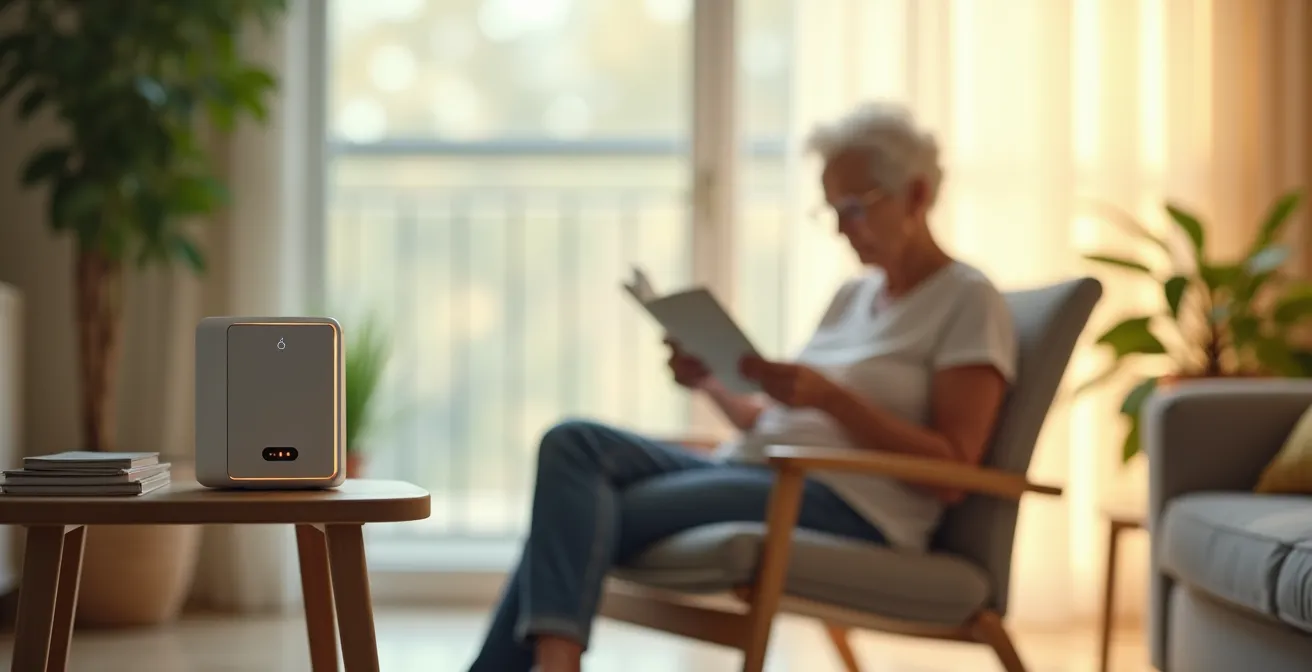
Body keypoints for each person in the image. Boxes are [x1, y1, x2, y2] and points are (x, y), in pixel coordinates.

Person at [466, 102, 1018, 672]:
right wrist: (712, 385)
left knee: (579, 516)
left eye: (854, 209)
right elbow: (772, 422)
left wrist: (830, 397)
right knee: (573, 442)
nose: (840, 228)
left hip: (844, 503)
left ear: (918, 195)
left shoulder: (967, 300)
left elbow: (957, 468)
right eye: (830, 210)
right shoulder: (853, 297)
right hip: (759, 467)